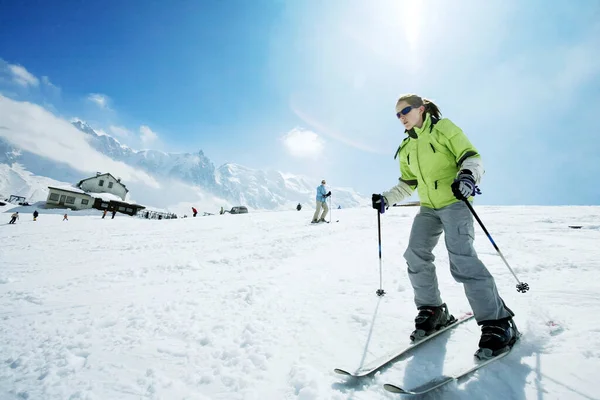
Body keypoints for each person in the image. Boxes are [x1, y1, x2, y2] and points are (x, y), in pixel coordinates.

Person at [371, 94, 516, 359]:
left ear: (421, 109)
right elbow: (408, 183)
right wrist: (386, 199)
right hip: (428, 208)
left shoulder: (444, 129)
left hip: (454, 202)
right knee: (415, 254)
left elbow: (471, 157)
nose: (401, 117)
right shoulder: (406, 148)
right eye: (397, 114)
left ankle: (498, 322)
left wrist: (468, 177)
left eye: (405, 110)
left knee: (462, 258)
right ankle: (433, 310)